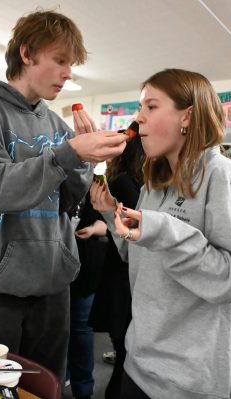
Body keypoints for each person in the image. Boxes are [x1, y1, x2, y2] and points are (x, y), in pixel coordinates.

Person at [0, 9, 126, 378]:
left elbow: (66, 202)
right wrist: (71, 152)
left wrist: (84, 161)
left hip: (52, 285)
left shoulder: (57, 124)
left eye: (71, 64)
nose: (68, 73)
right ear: (28, 54)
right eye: (60, 60)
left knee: (47, 385)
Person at [90, 68, 231, 399]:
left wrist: (163, 230)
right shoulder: (154, 181)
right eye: (140, 108)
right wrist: (110, 212)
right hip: (140, 363)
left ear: (187, 116)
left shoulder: (222, 176)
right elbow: (136, 255)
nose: (137, 119)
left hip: (190, 381)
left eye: (151, 107)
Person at [88, 120, 145, 399]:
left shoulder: (140, 183)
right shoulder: (127, 183)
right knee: (126, 360)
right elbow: (133, 235)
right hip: (122, 281)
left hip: (128, 277)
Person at [67, 192, 107, 399]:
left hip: (85, 270)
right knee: (57, 333)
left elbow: (107, 222)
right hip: (53, 271)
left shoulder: (96, 186)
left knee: (81, 331)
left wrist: (92, 229)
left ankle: (83, 390)